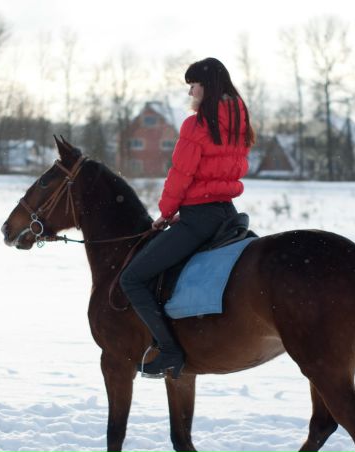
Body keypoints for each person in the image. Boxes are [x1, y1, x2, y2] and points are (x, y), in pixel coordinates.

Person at [120, 57, 255, 379]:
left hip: (199, 218)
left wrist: (165, 213)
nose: (190, 92)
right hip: (227, 213)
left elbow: (181, 174)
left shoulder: (197, 125)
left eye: (193, 85)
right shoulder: (239, 123)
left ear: (205, 86)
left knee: (132, 279)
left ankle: (169, 350)